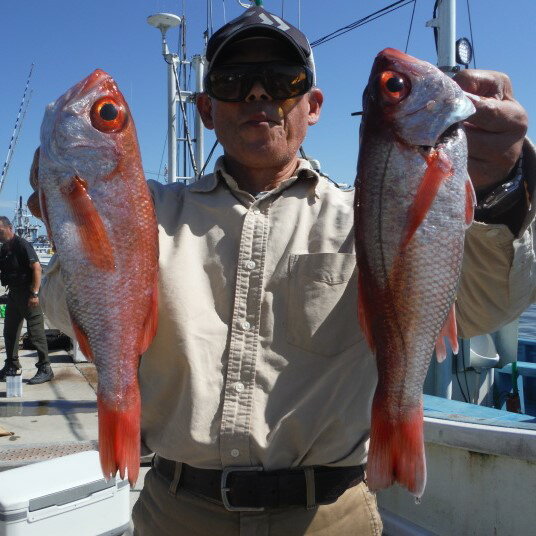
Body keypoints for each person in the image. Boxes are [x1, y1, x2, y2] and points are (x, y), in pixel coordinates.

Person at [38, 5, 535, 535]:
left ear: (314, 105)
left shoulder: (371, 214)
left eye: (282, 80)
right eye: (233, 81)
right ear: (205, 109)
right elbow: (62, 311)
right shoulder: (145, 212)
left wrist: (503, 190)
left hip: (329, 516)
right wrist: (71, 212)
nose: (258, 94)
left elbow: (488, 302)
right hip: (176, 510)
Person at [0, 216, 53, 385]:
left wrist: (35, 293)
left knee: (36, 333)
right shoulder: (4, 249)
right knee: (10, 332)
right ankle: (11, 365)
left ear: (9, 228)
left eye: (0, 230)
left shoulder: (22, 244)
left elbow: (37, 268)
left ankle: (45, 368)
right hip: (13, 295)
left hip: (28, 295)